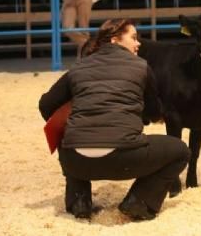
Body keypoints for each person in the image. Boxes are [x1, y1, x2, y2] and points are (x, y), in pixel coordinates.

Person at [38, 19, 190, 221]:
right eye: (133, 38)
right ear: (115, 40)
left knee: (69, 135)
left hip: (76, 162)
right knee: (180, 151)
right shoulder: (141, 66)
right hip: (123, 159)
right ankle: (139, 202)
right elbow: (154, 112)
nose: (139, 43)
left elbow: (45, 105)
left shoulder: (78, 68)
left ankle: (79, 201)